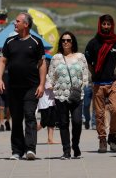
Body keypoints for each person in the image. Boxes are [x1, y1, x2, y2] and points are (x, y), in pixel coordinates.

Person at [0, 12, 46, 161]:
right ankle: (17, 150)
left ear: (26, 24)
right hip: (14, 88)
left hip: (31, 87)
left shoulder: (36, 42)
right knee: (16, 119)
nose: (14, 23)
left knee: (30, 115)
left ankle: (30, 149)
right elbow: (2, 61)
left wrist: (42, 84)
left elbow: (42, 64)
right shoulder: (10, 41)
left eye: (17, 21)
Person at [47, 31, 89, 159]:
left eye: (68, 40)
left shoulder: (80, 57)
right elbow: (51, 76)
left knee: (77, 122)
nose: (66, 42)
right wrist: (51, 87)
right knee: (63, 123)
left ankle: (75, 145)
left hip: (76, 95)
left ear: (72, 42)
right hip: (60, 95)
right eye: (63, 40)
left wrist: (82, 86)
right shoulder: (56, 58)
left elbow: (85, 75)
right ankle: (66, 150)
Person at [85, 14, 116, 153]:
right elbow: (87, 60)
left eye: (108, 24)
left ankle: (112, 136)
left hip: (113, 82)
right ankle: (102, 139)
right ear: (100, 25)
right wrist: (93, 72)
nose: (106, 26)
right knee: (99, 113)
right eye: (104, 24)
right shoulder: (93, 43)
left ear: (112, 25)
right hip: (98, 83)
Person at [37, 57, 57, 144]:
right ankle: (31, 132)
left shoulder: (50, 76)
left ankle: (50, 139)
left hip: (52, 101)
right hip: (44, 102)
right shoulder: (44, 76)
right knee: (44, 121)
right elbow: (50, 87)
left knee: (52, 121)